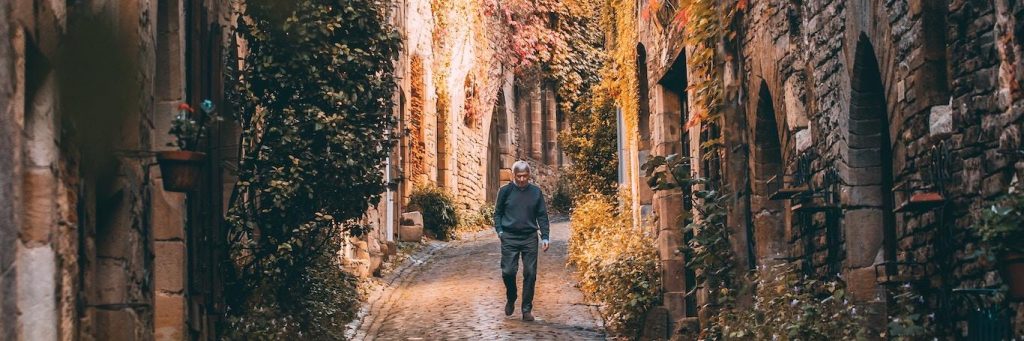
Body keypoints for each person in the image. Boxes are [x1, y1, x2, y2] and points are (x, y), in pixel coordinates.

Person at [493, 160, 550, 321]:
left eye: (525, 176)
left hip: (529, 237)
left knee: (530, 273)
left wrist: (545, 236)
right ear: (513, 175)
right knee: (508, 272)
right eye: (519, 176)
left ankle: (526, 309)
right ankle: (511, 297)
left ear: (529, 175)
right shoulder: (505, 191)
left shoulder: (535, 192)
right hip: (509, 237)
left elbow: (542, 216)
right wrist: (500, 231)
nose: (522, 179)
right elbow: (497, 213)